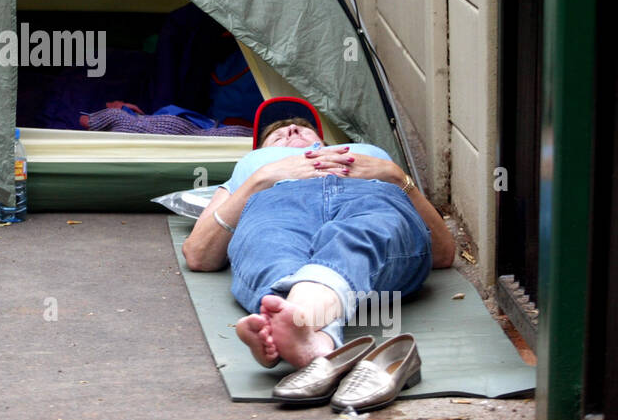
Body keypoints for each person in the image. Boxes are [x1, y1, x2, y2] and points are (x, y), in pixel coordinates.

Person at [182, 97, 457, 371]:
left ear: (323, 141)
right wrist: (260, 179)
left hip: (368, 194)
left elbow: (443, 252)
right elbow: (198, 253)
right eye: (276, 136)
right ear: (260, 150)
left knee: (362, 233)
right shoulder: (252, 168)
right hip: (277, 202)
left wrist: (395, 175)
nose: (290, 129)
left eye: (303, 127)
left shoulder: (370, 155)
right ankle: (314, 336)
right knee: (270, 244)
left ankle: (296, 324)